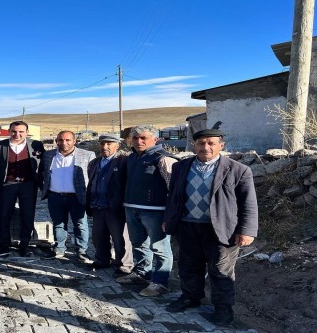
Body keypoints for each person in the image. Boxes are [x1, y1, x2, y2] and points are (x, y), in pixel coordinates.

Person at [163, 129, 258, 326]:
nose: (205, 147)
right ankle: (191, 297)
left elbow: (248, 202)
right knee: (188, 266)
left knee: (220, 270)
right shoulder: (181, 167)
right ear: (194, 145)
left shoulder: (238, 170)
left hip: (222, 229)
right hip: (187, 225)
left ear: (221, 146)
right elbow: (173, 196)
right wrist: (168, 218)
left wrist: (247, 230)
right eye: (200, 143)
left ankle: (223, 308)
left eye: (211, 143)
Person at [116, 124, 177, 297]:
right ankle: (142, 273)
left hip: (156, 211)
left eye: (143, 138)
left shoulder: (163, 158)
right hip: (132, 208)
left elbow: (173, 189)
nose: (139, 141)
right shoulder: (131, 158)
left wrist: (170, 215)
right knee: (139, 244)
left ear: (155, 139)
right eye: (135, 138)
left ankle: (160, 282)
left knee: (159, 247)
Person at [40, 130, 95, 262]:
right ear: (56, 141)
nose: (64, 143)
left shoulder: (87, 155)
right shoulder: (48, 155)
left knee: (80, 224)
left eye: (67, 140)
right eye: (60, 140)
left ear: (74, 141)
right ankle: (59, 249)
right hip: (55, 196)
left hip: (77, 197)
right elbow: (43, 174)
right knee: (58, 224)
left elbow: (93, 176)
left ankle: (82, 251)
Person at [0, 120, 45, 257]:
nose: (17, 134)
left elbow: (43, 164)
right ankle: (4, 245)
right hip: (6, 185)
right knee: (4, 216)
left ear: (27, 133)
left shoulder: (36, 145)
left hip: (28, 185)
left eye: (21, 131)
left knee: (27, 216)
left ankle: (24, 245)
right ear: (9, 132)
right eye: (14, 131)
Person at [85, 134, 133, 275]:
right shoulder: (94, 163)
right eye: (102, 144)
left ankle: (124, 265)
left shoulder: (124, 161)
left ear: (117, 145)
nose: (104, 147)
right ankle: (102, 260)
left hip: (115, 208)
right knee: (98, 236)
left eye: (109, 144)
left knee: (120, 239)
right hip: (97, 206)